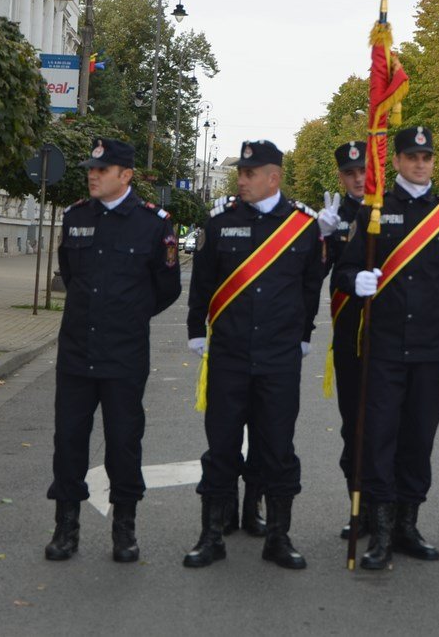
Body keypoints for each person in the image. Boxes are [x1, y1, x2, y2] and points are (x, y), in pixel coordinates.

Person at [334, 125, 439, 571]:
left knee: (418, 440)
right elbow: (343, 271)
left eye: (426, 157)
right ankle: (380, 532)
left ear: (433, 161)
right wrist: (355, 280)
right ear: (395, 161)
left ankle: (407, 526)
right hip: (382, 349)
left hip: (431, 351)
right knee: (378, 439)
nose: (419, 164)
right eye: (411, 157)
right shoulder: (373, 210)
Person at [184, 139, 324, 570]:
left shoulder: (302, 226)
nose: (241, 181)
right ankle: (211, 535)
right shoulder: (220, 222)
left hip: (279, 358)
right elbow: (202, 283)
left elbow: (310, 287)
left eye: (249, 174)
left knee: (277, 448)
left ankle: (278, 538)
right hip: (229, 355)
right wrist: (196, 331)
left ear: (273, 178)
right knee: (221, 446)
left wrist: (303, 335)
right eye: (240, 173)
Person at [44, 137, 182, 563]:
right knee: (69, 441)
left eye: (102, 170)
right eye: (91, 168)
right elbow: (70, 273)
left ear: (126, 175)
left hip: (124, 355)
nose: (92, 175)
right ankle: (66, 527)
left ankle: (125, 527)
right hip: (76, 351)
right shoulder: (75, 217)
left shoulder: (153, 224)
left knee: (123, 441)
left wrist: (129, 315)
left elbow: (167, 288)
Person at [315, 140, 367, 538]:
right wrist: (320, 237)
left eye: (364, 170)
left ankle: (392, 513)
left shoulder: (393, 209)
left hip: (392, 338)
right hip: (351, 339)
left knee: (393, 428)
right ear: (341, 178)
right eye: (350, 173)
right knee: (355, 428)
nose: (359, 179)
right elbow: (313, 273)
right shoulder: (337, 217)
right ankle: (358, 508)